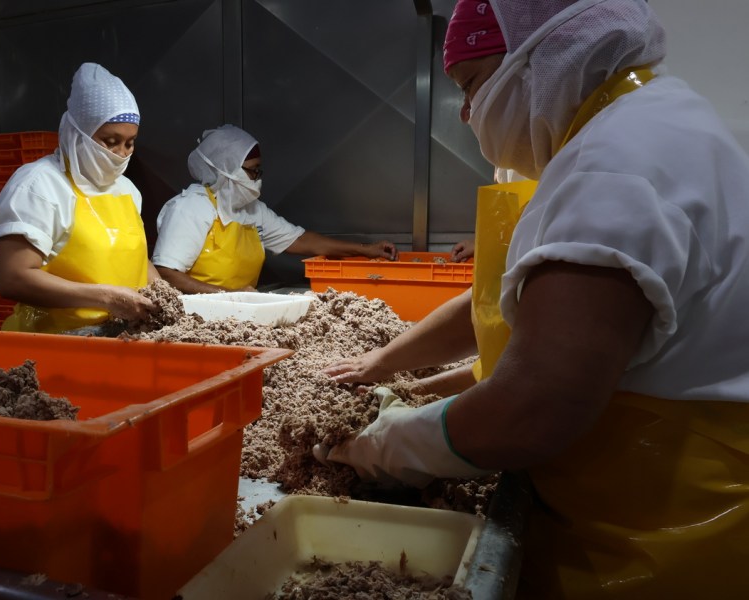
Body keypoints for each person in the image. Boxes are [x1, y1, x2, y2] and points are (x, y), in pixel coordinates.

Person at [319, 1, 749, 598]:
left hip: (659, 544)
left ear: (537, 58)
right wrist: (389, 367)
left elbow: (532, 408)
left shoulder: (613, 170)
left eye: (471, 87)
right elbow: (505, 303)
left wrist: (382, 446)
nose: (468, 113)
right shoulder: (662, 123)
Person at [0, 63, 159, 332]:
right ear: (77, 132)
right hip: (54, 341)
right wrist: (106, 299)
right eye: (110, 141)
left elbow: (136, 258)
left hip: (122, 337)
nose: (120, 153)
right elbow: (14, 278)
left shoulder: (127, 190)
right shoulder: (40, 185)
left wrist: (163, 293)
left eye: (129, 143)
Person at [152, 125, 397, 294]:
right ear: (226, 169)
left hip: (236, 313)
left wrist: (366, 250)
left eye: (259, 170)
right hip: (195, 319)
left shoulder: (251, 210)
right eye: (252, 170)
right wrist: (228, 295)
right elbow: (166, 273)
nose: (257, 178)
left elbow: (303, 241)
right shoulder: (192, 208)